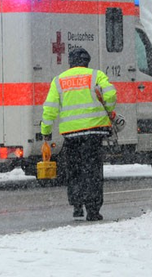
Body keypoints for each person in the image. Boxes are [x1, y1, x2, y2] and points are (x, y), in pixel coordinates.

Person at [41, 47, 116, 221]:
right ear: (87, 61)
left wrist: (46, 132)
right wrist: (109, 110)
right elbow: (111, 94)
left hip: (71, 134)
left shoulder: (59, 80)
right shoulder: (96, 76)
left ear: (70, 62)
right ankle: (93, 210)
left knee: (74, 170)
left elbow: (50, 109)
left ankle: (77, 206)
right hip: (93, 132)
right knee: (93, 172)